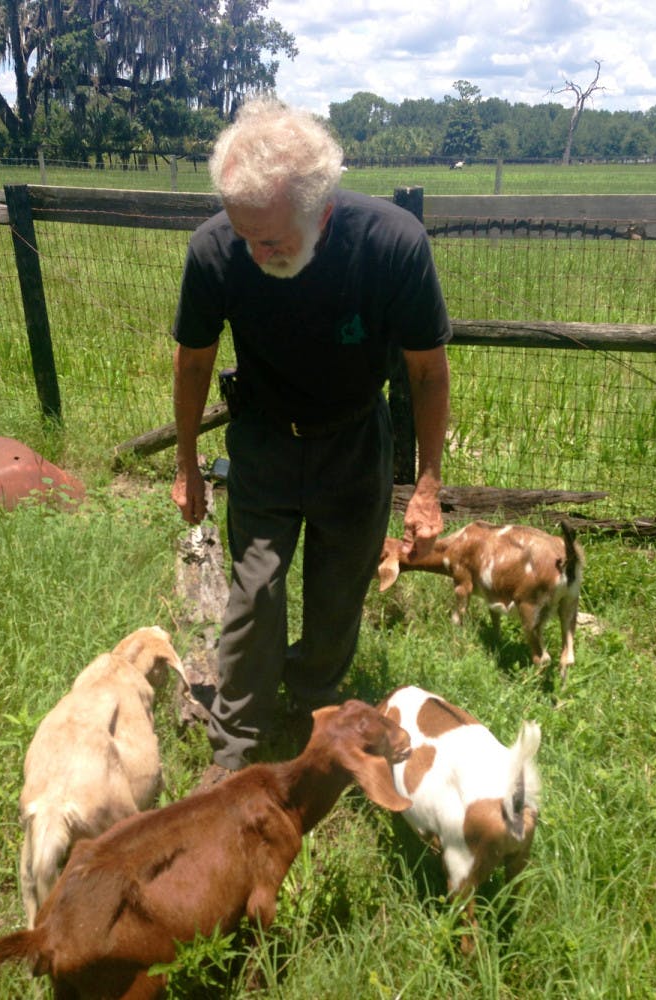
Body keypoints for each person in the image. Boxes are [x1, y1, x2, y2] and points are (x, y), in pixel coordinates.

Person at [171, 97, 451, 784]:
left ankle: (315, 708)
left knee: (338, 592)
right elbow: (195, 360)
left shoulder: (391, 245)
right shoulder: (216, 248)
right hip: (264, 440)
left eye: (273, 241)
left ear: (320, 210)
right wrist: (187, 465)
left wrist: (428, 486)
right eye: (247, 238)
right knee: (255, 590)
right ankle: (236, 746)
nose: (257, 254)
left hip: (355, 441)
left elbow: (426, 370)